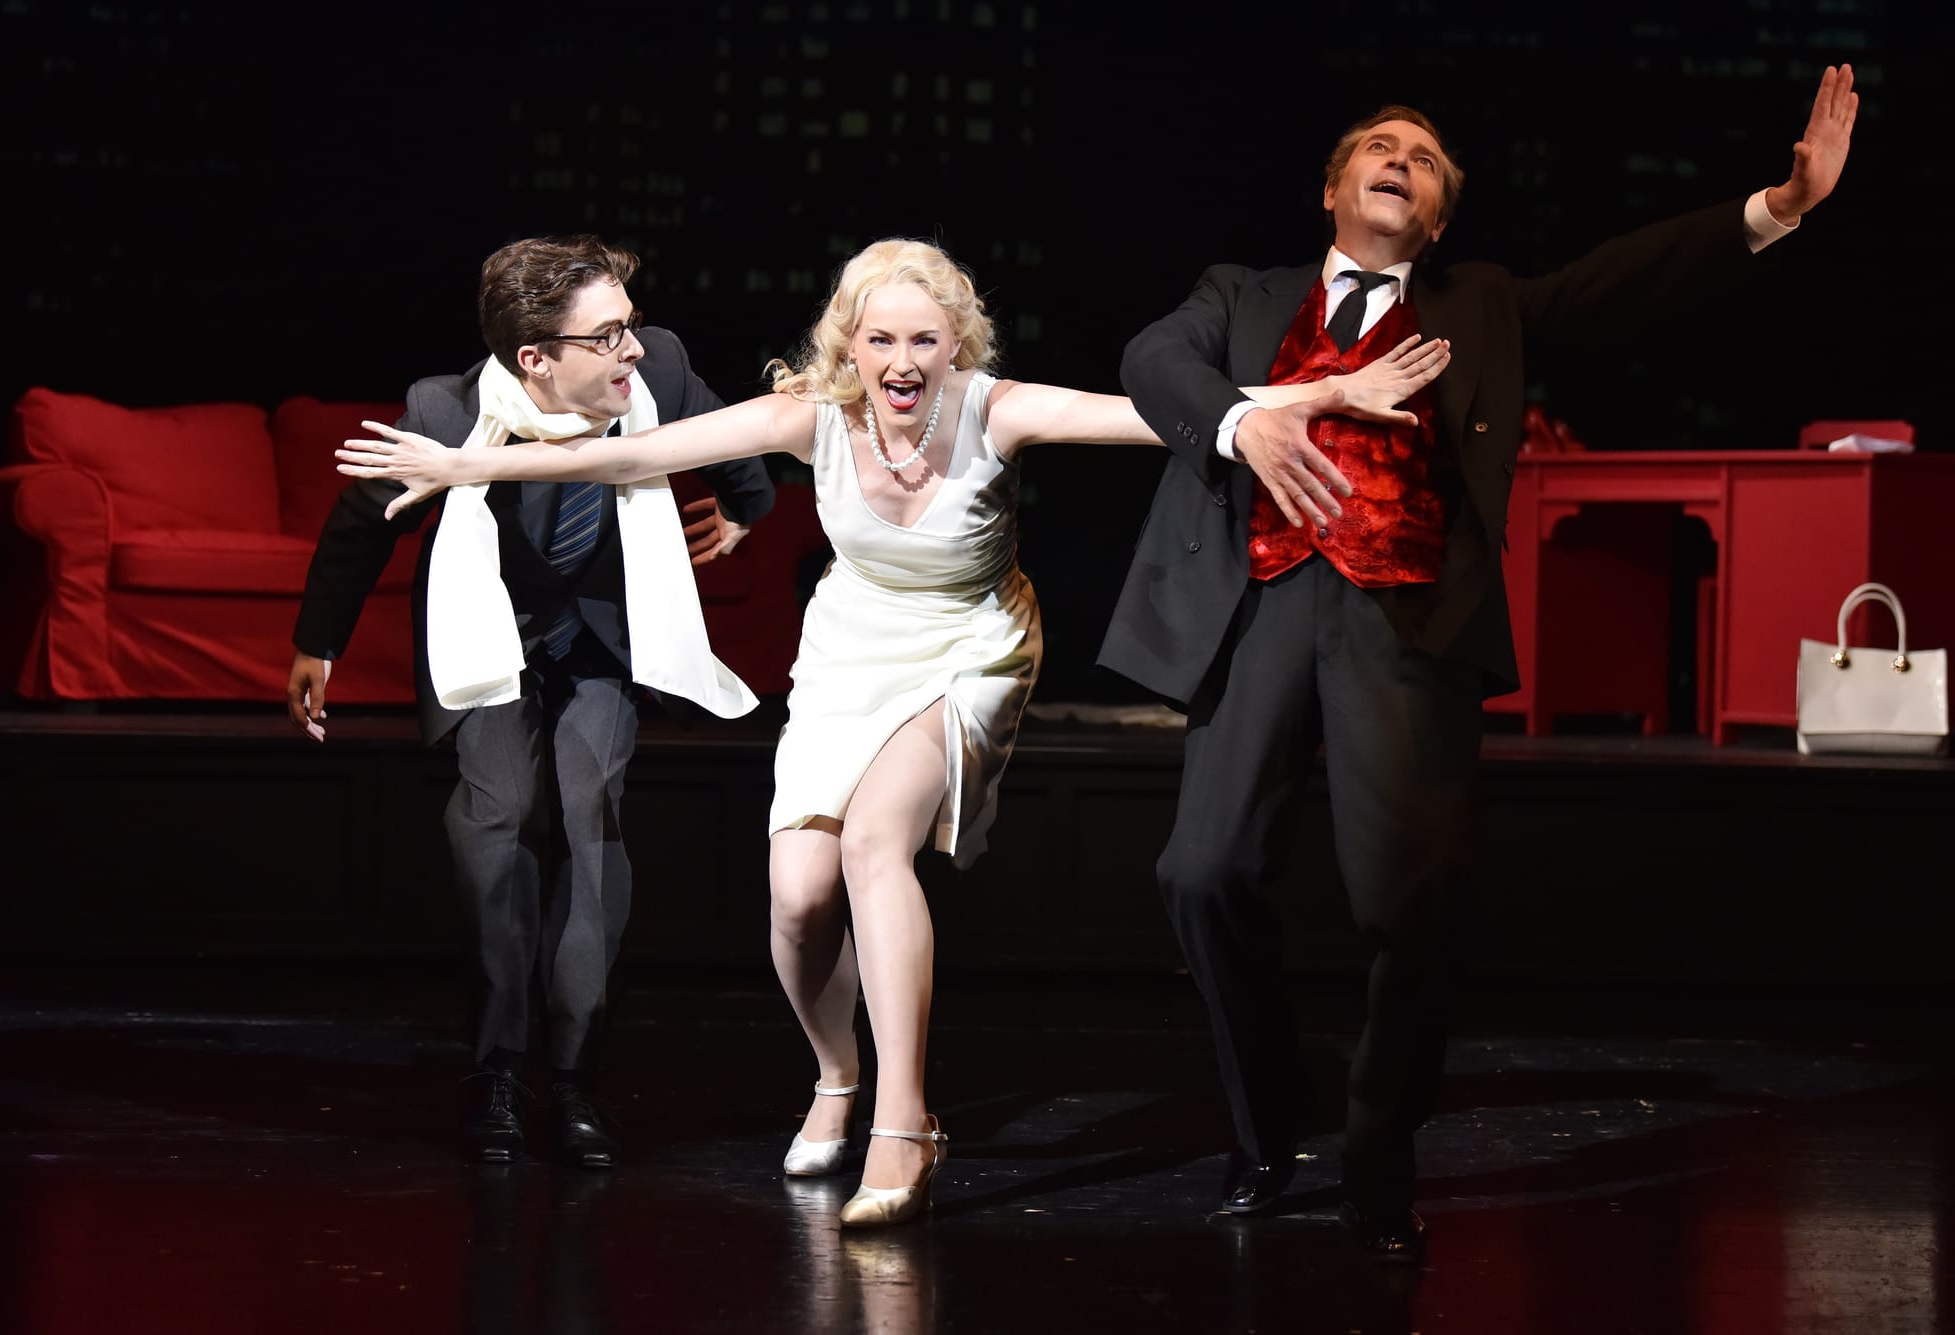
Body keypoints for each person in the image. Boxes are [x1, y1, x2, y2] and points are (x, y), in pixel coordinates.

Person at [337, 237, 1449, 1225]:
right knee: (796, 898)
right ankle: (836, 1078)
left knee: (876, 844)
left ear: (955, 345)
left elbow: (1168, 414)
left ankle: (904, 1125)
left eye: (924, 338)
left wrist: (1326, 391)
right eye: (881, 339)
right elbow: (626, 456)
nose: (902, 360)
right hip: (849, 650)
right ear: (851, 347)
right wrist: (467, 463)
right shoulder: (813, 416)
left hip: (968, 650)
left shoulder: (997, 410)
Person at [1100, 67, 1858, 1259]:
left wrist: (1779, 206)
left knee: (1409, 903)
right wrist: (1249, 418)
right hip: (1259, 603)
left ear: (1438, 217)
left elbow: (1621, 283)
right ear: (1332, 191)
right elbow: (1153, 361)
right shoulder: (1241, 294)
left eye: (1422, 159)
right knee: (1200, 874)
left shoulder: (1480, 304)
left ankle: (1376, 1155)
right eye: (1378, 147)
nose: (1399, 160)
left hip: (1403, 622)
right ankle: (1268, 1115)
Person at [288, 235, 776, 1167]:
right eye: (608, 335)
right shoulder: (448, 409)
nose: (633, 347)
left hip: (602, 635)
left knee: (591, 813)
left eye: (630, 325)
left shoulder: (658, 370)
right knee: (499, 817)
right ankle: (498, 1068)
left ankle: (577, 1075)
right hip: (491, 632)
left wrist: (746, 509)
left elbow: (736, 437)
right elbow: (364, 519)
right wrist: (318, 643)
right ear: (536, 358)